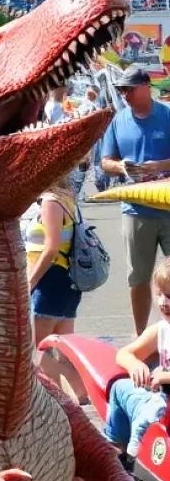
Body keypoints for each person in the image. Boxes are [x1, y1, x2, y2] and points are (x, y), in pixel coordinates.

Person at [101, 65, 170, 334]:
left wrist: (159, 165)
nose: (124, 94)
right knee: (138, 278)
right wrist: (122, 167)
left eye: (128, 89)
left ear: (146, 87)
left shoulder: (167, 115)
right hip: (135, 210)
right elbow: (106, 162)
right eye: (121, 90)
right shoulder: (118, 121)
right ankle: (140, 335)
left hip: (167, 207)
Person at [25, 170, 88, 402]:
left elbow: (50, 249)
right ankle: (80, 394)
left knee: (36, 347)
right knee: (64, 347)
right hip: (67, 280)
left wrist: (30, 282)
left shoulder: (51, 202)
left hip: (50, 281)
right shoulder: (67, 199)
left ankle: (64, 394)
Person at [104, 259, 169, 465]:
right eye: (159, 294)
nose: (162, 302)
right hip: (163, 395)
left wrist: (164, 376)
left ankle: (137, 466)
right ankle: (116, 448)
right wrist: (135, 364)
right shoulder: (162, 329)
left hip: (163, 399)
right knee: (119, 386)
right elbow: (124, 353)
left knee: (147, 418)